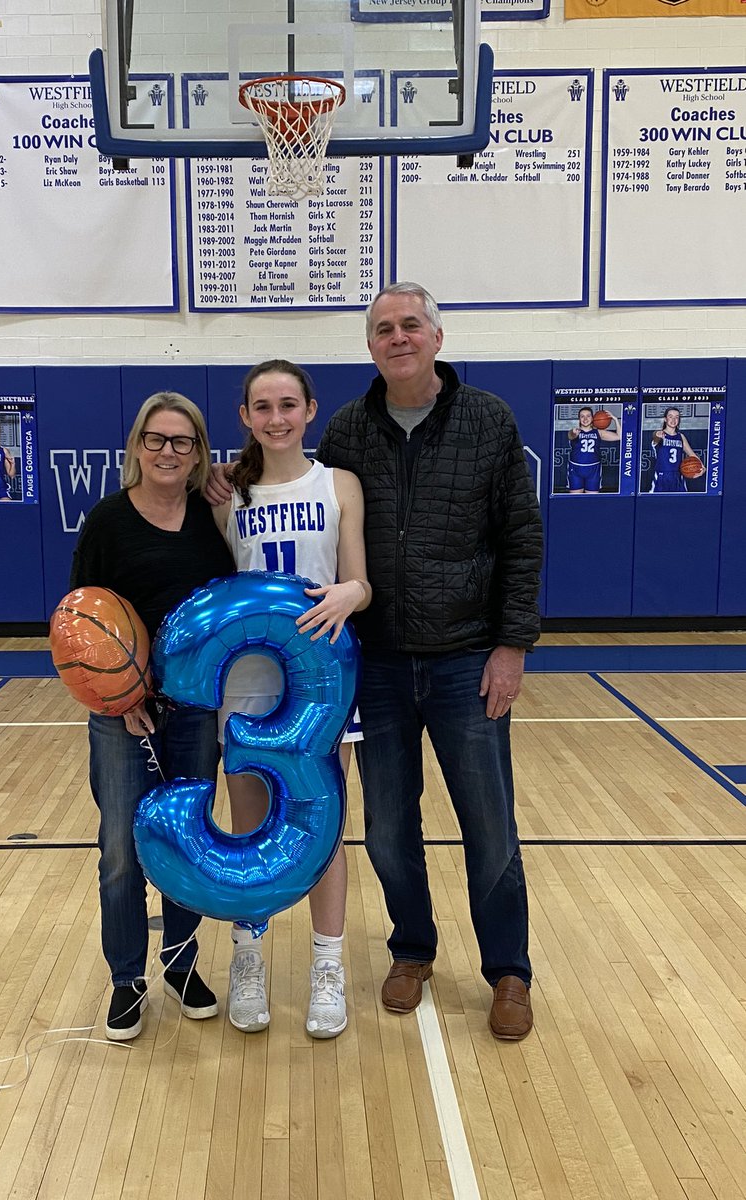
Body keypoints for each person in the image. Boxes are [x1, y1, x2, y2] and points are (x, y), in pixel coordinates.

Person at [210, 284, 544, 1039]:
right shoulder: (351, 432)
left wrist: (511, 645)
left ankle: (509, 972)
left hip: (466, 658)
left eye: (410, 325)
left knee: (489, 824)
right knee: (389, 827)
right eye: (383, 329)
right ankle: (411, 950)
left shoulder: (489, 420)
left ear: (436, 334)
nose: (398, 337)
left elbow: (523, 536)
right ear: (370, 346)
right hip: (380, 665)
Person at [212, 359, 370, 1040]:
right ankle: (248, 961)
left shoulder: (338, 485)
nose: (276, 418)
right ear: (245, 418)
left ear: (310, 409)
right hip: (247, 685)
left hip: (320, 685)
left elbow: (359, 581)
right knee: (249, 826)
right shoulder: (225, 496)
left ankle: (327, 970)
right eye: (262, 407)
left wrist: (348, 593)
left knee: (321, 824)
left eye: (287, 404)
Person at [70, 392, 234, 1041]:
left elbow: (227, 609)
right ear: (138, 445)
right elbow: (79, 622)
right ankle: (125, 979)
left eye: (182, 441)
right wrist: (123, 695)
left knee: (184, 840)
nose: (169, 451)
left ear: (197, 454)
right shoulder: (107, 522)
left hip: (193, 708)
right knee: (120, 849)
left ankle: (180, 965)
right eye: (157, 439)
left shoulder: (211, 520)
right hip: (121, 714)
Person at [649, 407, 705, 492]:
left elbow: (692, 455)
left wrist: (702, 467)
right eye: (670, 416)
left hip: (678, 478)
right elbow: (655, 437)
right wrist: (657, 434)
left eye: (676, 417)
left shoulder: (681, 437)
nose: (673, 419)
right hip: (661, 478)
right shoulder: (660, 434)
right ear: (665, 419)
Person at [566, 407, 621, 494]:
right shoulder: (575, 432)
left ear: (592, 418)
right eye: (582, 416)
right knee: (575, 500)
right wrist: (573, 433)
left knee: (592, 500)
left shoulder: (599, 432)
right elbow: (570, 435)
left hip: (593, 469)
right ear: (579, 419)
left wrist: (615, 420)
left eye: (588, 416)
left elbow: (619, 436)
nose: (585, 419)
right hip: (576, 469)